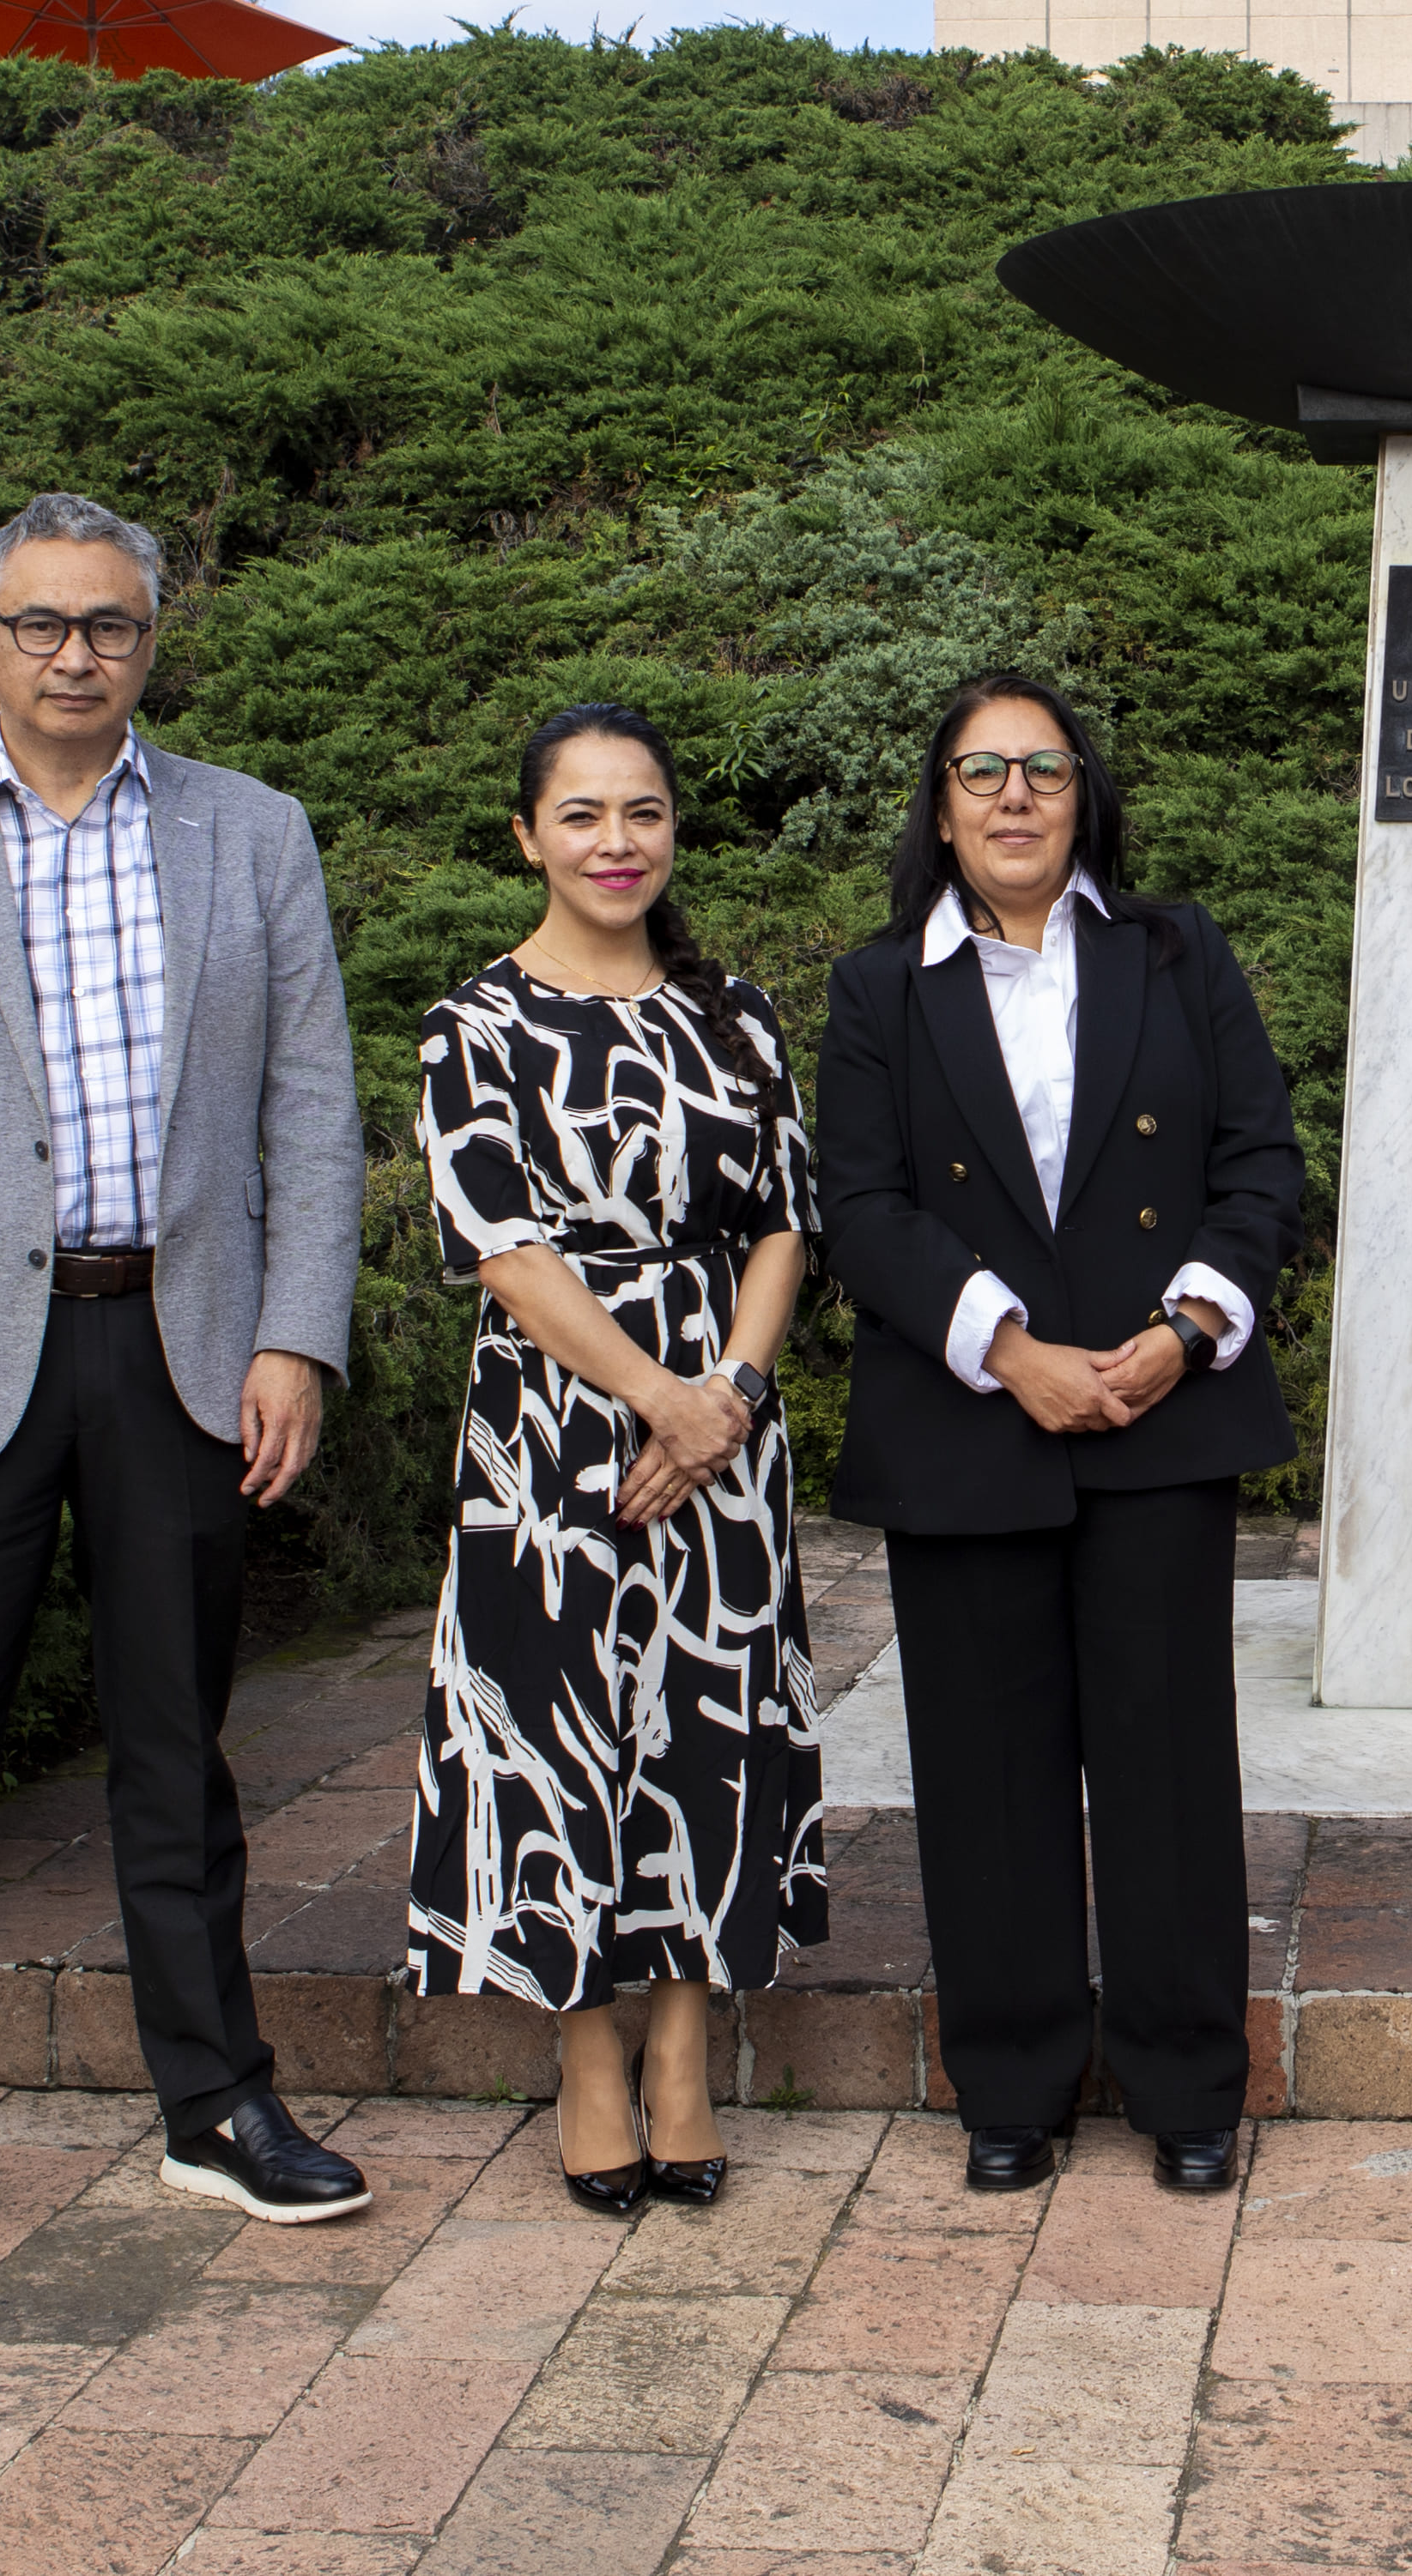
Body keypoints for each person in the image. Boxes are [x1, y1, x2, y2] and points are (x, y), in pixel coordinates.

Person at [0, 490, 375, 2289]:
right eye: (40, 624)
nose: (74, 654)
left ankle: (218, 2107)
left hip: (178, 1350)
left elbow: (312, 1113)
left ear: (152, 637)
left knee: (181, 1758)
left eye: (106, 623)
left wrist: (293, 1333)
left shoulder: (248, 833)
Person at [814, 674, 1306, 2198]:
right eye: (982, 770)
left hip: (1160, 1414)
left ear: (1085, 792)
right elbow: (863, 1205)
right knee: (983, 1766)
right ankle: (1011, 2081)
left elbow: (1260, 1160)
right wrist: (1010, 1351)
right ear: (940, 802)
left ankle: (1185, 2081)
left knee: (1165, 1763)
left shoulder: (1175, 950)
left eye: (1043, 767)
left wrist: (1185, 1332)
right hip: (973, 1419)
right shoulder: (877, 984)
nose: (1014, 795)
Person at [403, 705, 824, 2215]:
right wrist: (655, 1394)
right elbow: (501, 1249)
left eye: (641, 813)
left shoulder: (738, 1014)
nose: (616, 842)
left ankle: (686, 2061)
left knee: (703, 1724)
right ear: (528, 836)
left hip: (723, 1420)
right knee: (567, 1732)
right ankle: (588, 2065)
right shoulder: (479, 1025)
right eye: (581, 815)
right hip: (557, 1431)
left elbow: (785, 1218)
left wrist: (728, 1395)